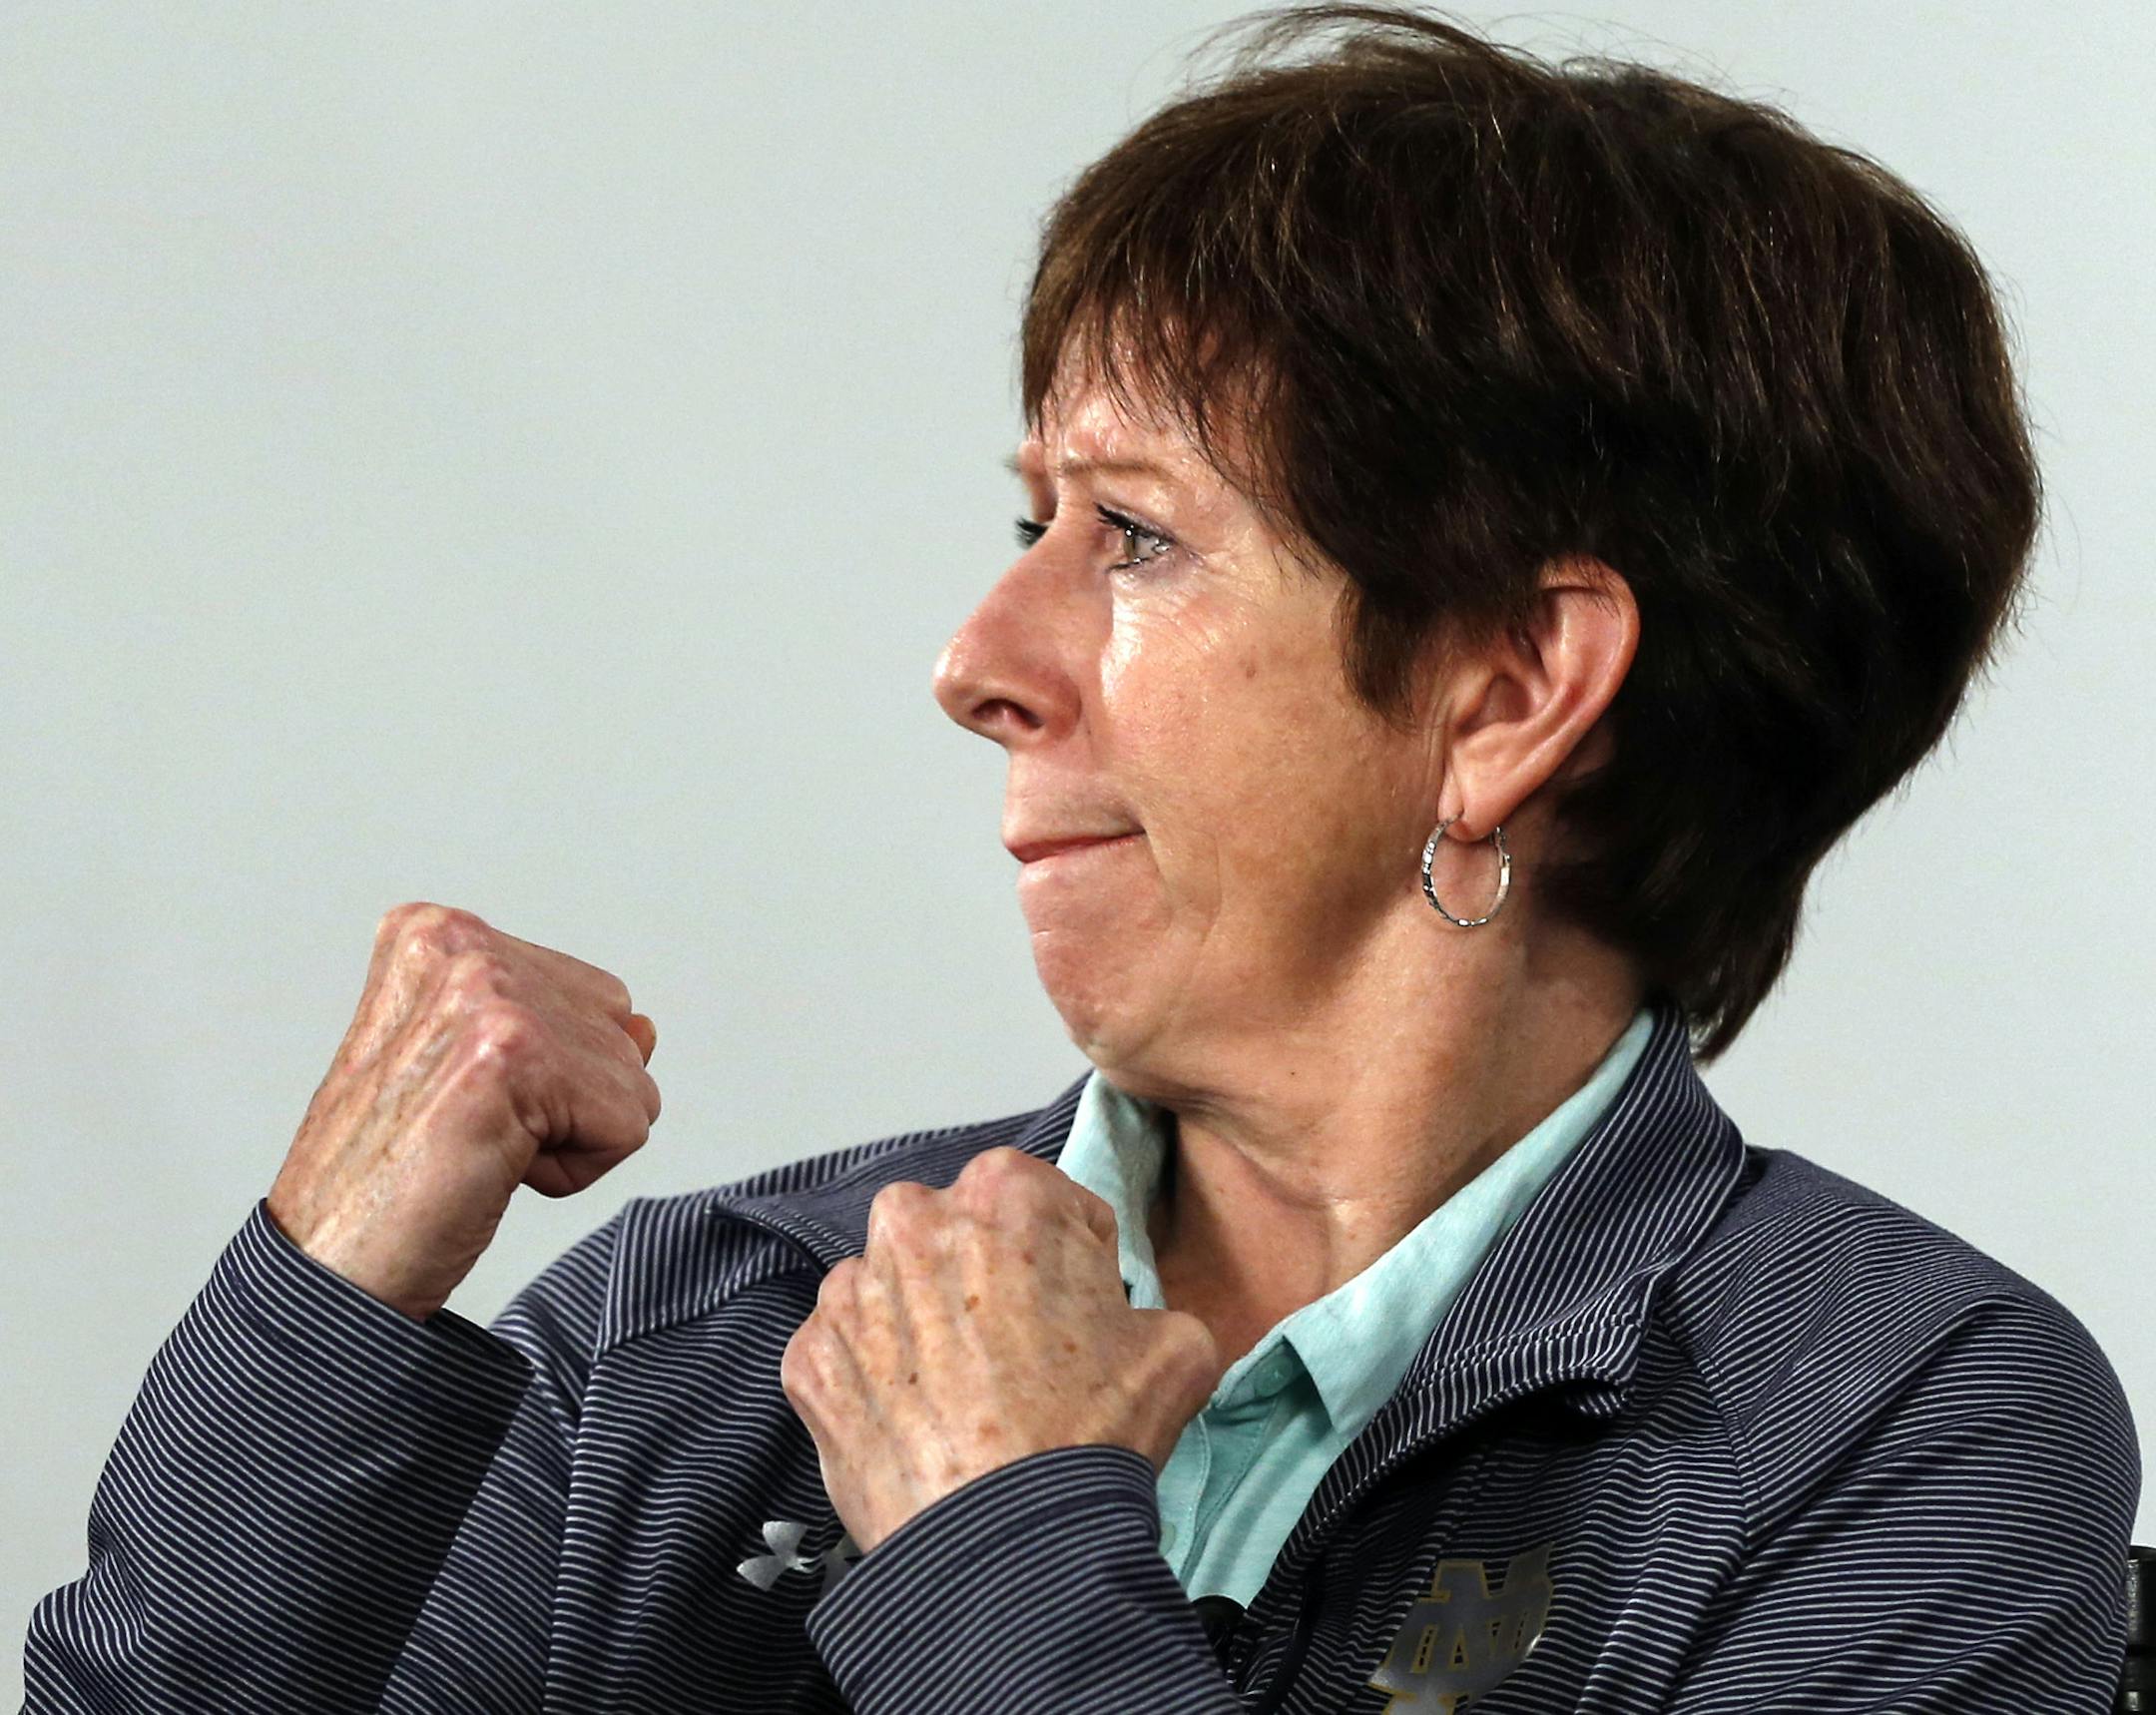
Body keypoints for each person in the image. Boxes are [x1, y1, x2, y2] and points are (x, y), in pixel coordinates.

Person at [23, 5, 2141, 1711]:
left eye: (1134, 537)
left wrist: (996, 1534)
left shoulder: (1899, 1439)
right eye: (1026, 518)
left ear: (1513, 689)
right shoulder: (694, 1332)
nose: (978, 661)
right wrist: (327, 1317)